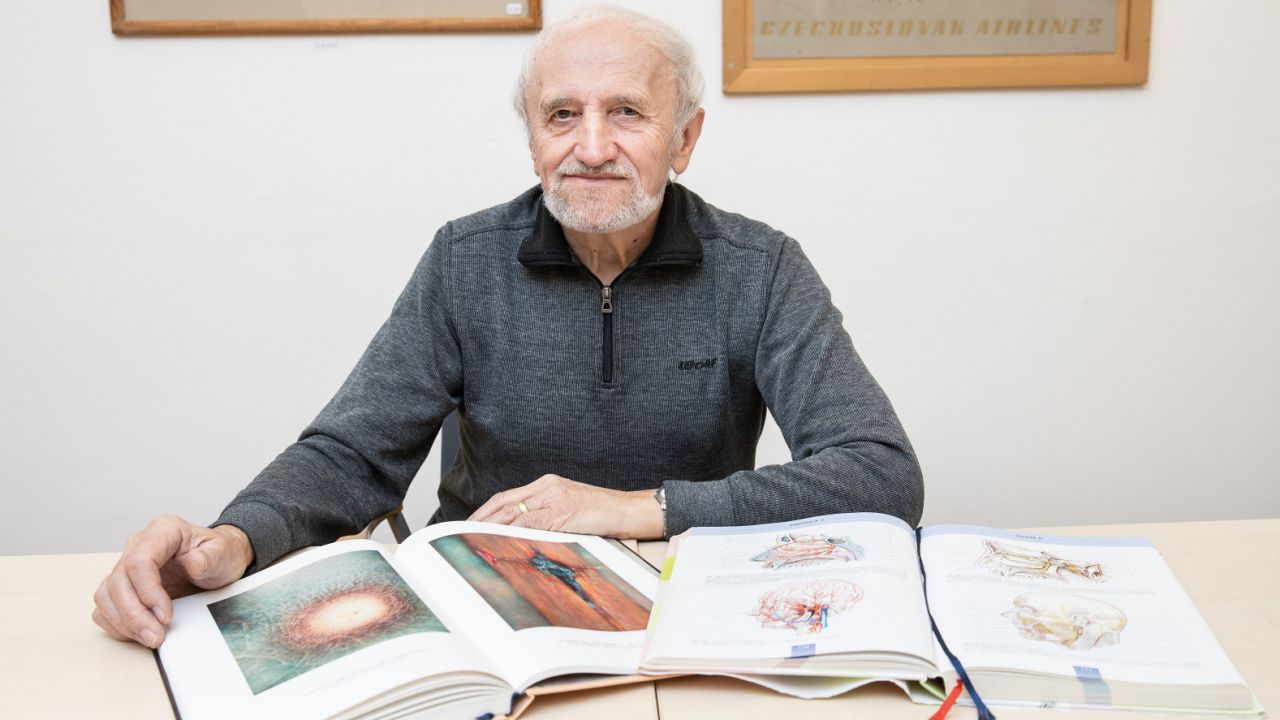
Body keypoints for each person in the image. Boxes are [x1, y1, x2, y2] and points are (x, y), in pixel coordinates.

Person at [92, 6, 923, 650]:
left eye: (626, 113)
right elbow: (353, 452)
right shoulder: (464, 260)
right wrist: (232, 539)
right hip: (485, 607)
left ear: (685, 138)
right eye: (561, 115)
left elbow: (881, 474)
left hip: (687, 610)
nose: (591, 147)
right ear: (531, 139)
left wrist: (635, 508)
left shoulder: (761, 268)